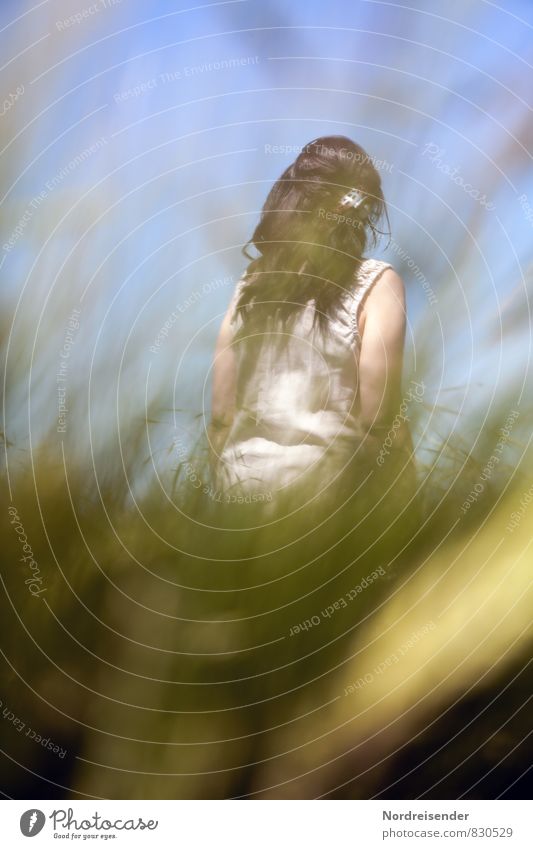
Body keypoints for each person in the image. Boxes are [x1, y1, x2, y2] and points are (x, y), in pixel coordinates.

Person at [208, 135, 415, 511]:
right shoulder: (379, 284)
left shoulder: (249, 287)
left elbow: (222, 417)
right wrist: (411, 512)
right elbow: (379, 418)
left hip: (237, 499)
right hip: (326, 499)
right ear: (363, 209)